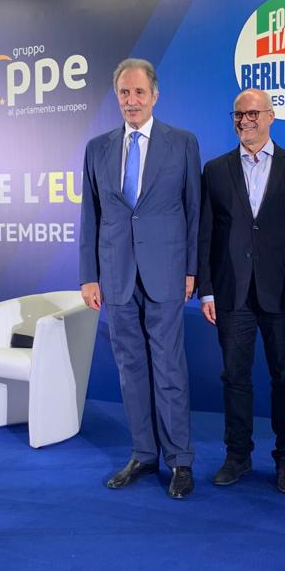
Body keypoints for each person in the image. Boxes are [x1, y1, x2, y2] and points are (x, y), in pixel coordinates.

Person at [79, 57, 201, 499]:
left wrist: (191, 269)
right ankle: (144, 454)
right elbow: (90, 216)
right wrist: (89, 276)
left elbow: (194, 210)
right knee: (131, 370)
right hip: (116, 276)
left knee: (169, 368)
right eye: (124, 93)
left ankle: (180, 459)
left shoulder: (181, 142)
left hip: (166, 273)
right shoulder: (98, 148)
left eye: (139, 92)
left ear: (155, 95)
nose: (131, 100)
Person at [199, 88, 285, 493]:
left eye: (253, 113)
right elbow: (206, 234)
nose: (245, 120)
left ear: (271, 116)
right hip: (232, 293)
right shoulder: (215, 169)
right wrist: (207, 289)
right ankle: (237, 456)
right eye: (239, 114)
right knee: (235, 378)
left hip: (283, 293)